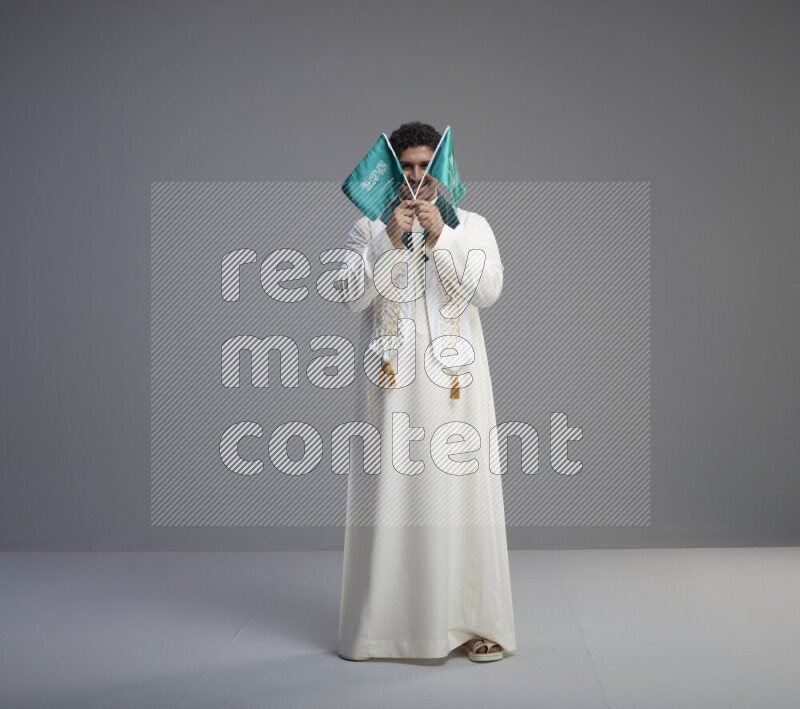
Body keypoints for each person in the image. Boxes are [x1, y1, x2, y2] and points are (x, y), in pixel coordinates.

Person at [337, 122, 516, 662]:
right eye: (407, 167)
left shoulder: (474, 226)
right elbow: (349, 296)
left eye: (425, 167)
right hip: (393, 390)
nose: (417, 179)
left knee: (462, 500)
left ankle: (473, 624)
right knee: (393, 502)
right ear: (392, 170)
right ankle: (387, 629)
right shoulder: (367, 228)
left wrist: (444, 237)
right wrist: (390, 241)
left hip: (457, 391)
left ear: (441, 170)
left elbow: (486, 290)